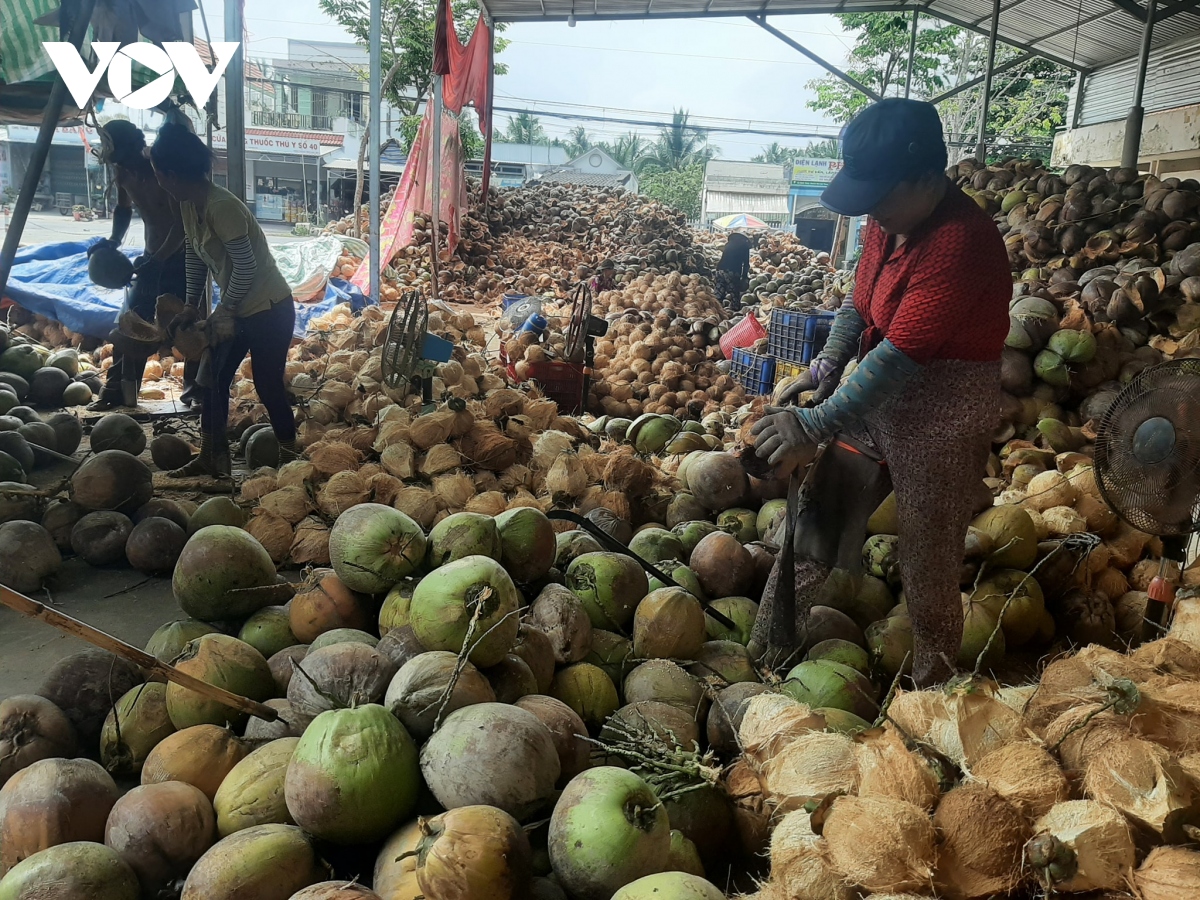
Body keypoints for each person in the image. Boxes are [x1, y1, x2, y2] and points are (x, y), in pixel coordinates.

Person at [751, 98, 1010, 687]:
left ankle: (934, 691)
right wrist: (826, 364)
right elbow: (857, 305)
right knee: (817, 521)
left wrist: (813, 427)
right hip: (874, 400)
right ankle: (765, 654)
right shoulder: (885, 222)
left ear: (926, 178)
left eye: (880, 197)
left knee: (927, 561)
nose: (872, 214)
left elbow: (898, 358)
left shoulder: (961, 241)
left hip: (943, 414)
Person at [149, 123, 297, 479]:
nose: (156, 180)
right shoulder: (188, 205)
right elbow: (195, 255)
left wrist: (224, 310)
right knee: (211, 381)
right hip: (236, 309)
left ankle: (294, 458)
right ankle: (213, 456)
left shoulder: (222, 206)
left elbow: (245, 269)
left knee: (267, 383)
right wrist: (189, 305)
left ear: (171, 173)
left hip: (269, 309)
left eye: (157, 173)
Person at [87, 120, 197, 410]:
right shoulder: (123, 173)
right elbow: (123, 208)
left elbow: (181, 224)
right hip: (151, 258)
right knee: (130, 326)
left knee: (190, 328)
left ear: (123, 146)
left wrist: (159, 259)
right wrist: (113, 240)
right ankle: (117, 393)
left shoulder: (158, 168)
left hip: (182, 259)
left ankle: (195, 394)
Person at [714, 232, 751, 310]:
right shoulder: (744, 246)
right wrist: (744, 277)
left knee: (719, 291)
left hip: (720, 270)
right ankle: (735, 310)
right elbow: (746, 264)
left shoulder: (728, 244)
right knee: (734, 293)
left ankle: (716, 309)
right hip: (732, 271)